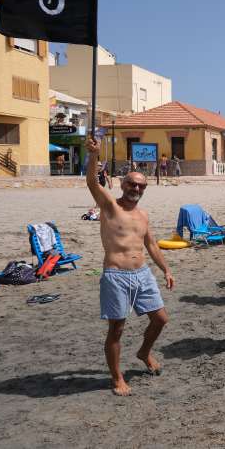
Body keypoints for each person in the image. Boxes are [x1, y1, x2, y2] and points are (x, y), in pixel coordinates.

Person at [85, 138, 174, 397]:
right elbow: (92, 183)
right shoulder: (110, 207)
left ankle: (144, 352)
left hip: (142, 273)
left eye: (140, 185)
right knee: (117, 328)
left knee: (160, 319)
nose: (136, 188)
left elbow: (152, 245)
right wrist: (94, 155)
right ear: (122, 184)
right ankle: (117, 378)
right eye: (131, 183)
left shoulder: (143, 215)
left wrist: (166, 269)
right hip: (116, 275)